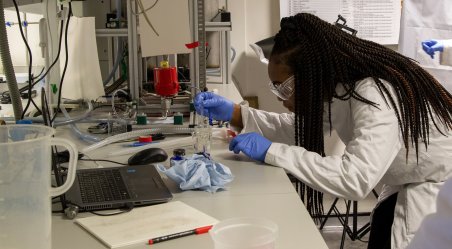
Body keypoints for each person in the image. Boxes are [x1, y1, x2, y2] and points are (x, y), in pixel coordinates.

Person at [194, 13, 452, 249]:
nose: (283, 99)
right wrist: (236, 113)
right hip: (407, 178)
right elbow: (301, 129)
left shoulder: (374, 95)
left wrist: (272, 151)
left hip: (437, 183)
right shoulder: (337, 87)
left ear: (310, 74)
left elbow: (355, 179)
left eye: (284, 88)